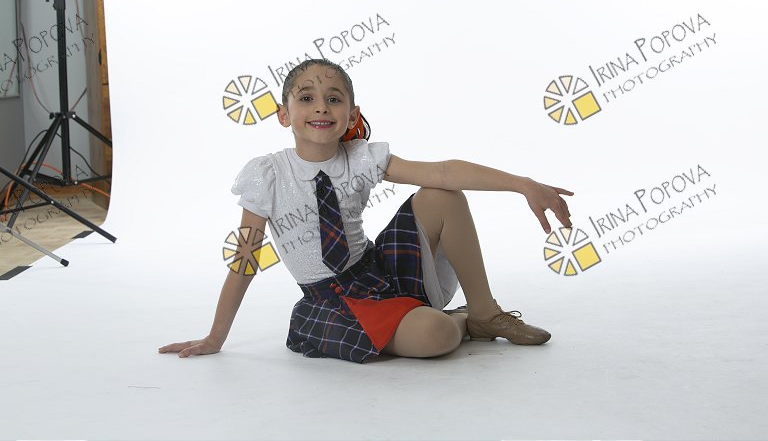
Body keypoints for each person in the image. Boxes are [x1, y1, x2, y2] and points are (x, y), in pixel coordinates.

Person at [159, 58, 574, 363]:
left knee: (442, 195)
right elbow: (245, 261)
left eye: (333, 99)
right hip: (332, 300)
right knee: (437, 336)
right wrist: (215, 337)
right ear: (284, 114)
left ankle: (484, 313)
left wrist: (523, 184)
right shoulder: (267, 174)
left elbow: (444, 171)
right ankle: (457, 320)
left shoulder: (359, 158)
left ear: (351, 114)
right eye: (307, 98)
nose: (321, 107)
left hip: (381, 272)